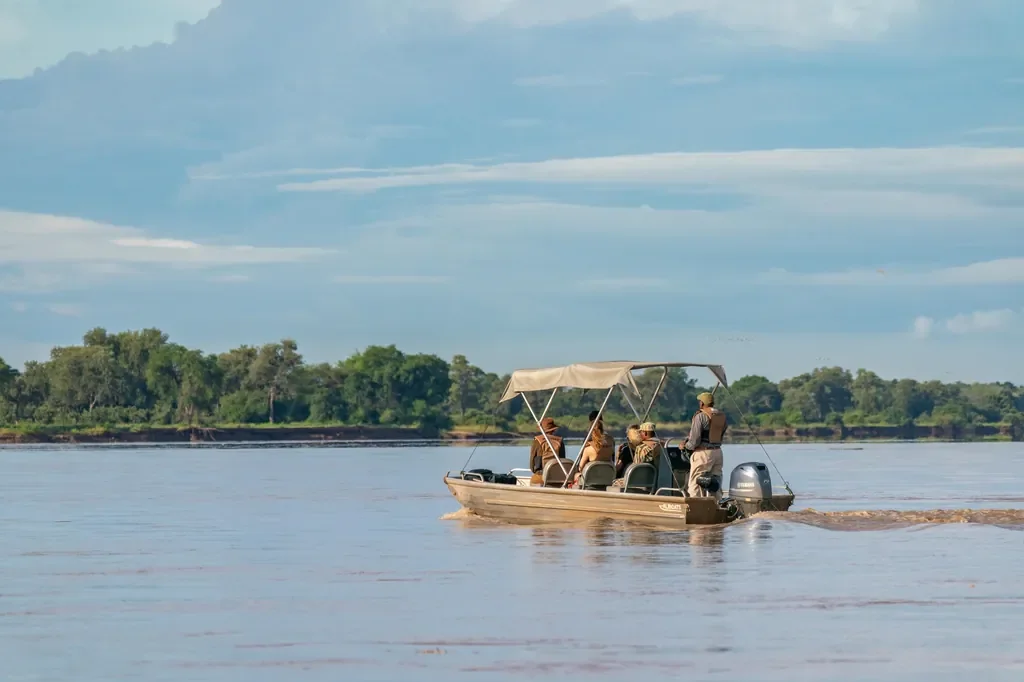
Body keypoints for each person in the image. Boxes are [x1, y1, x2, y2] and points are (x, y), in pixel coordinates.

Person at [682, 392, 727, 499]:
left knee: (695, 484)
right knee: (715, 483)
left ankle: (696, 507)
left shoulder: (700, 416)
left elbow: (694, 441)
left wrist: (685, 446)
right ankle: (717, 506)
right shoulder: (721, 416)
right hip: (718, 452)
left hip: (703, 453)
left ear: (702, 403)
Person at [571, 416, 615, 486]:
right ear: (602, 429)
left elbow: (580, 467)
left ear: (590, 431)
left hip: (591, 480)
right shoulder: (610, 446)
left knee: (576, 475)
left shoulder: (588, 449)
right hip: (607, 479)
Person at [529, 416, 566, 485]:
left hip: (540, 476)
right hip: (556, 477)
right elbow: (563, 460)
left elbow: (532, 465)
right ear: (553, 430)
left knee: (533, 481)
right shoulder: (560, 441)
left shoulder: (537, 441)